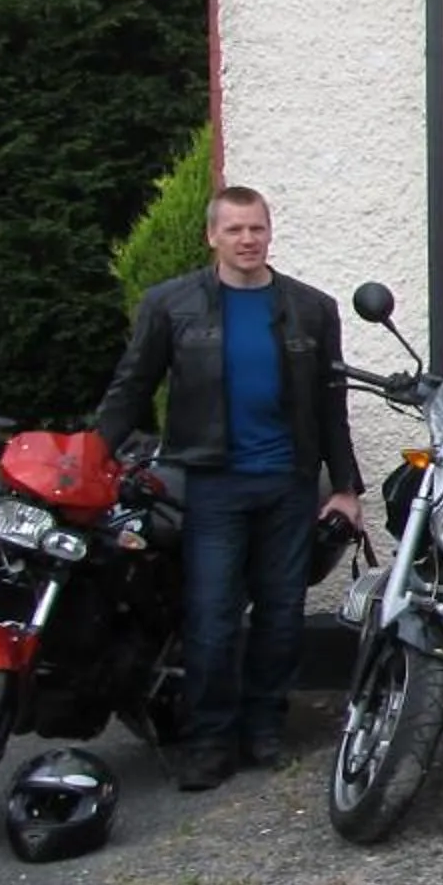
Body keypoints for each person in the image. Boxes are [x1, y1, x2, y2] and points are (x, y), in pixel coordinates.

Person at [95, 184, 363, 791]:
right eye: (235, 230)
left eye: (257, 229)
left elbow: (330, 405)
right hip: (210, 484)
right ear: (212, 236)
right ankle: (208, 740)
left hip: (288, 485)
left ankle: (265, 727)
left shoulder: (310, 309)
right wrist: (91, 456)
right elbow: (130, 388)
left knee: (280, 615)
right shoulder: (172, 305)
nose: (247, 240)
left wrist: (345, 487)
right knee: (211, 618)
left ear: (270, 233)